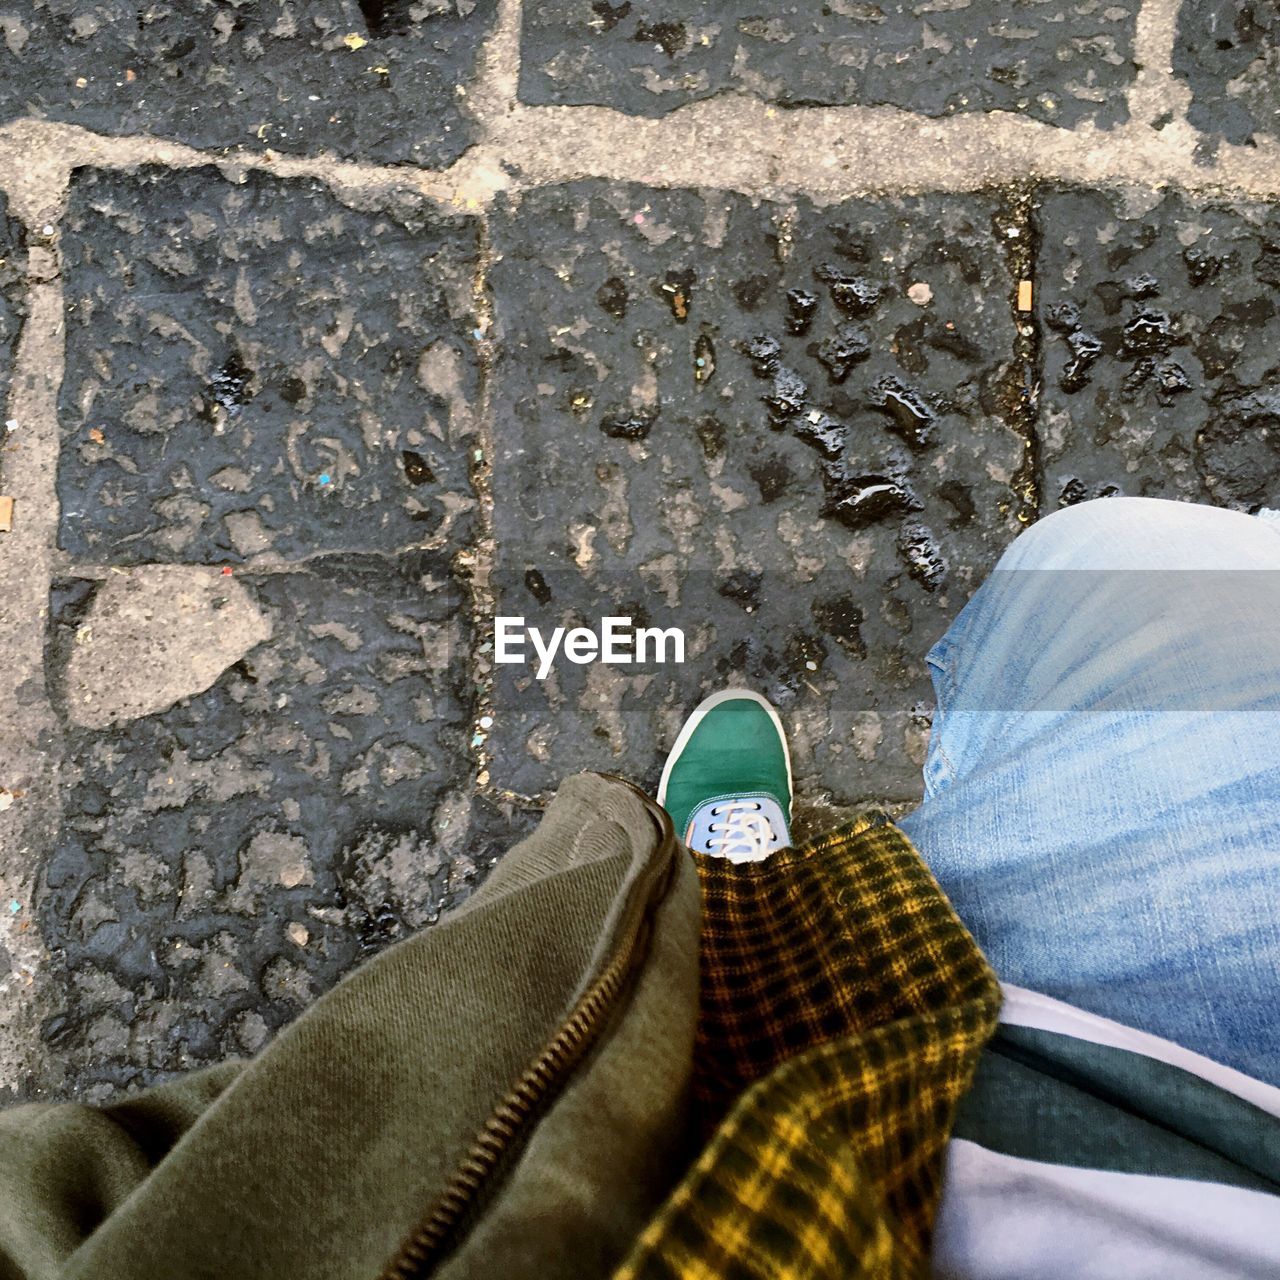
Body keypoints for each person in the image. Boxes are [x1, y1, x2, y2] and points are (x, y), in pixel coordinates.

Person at [0, 496, 1277, 1280]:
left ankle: (724, 923)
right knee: (1132, 571)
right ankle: (734, 914)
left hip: (743, 1135)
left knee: (1115, 572)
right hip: (1187, 1142)